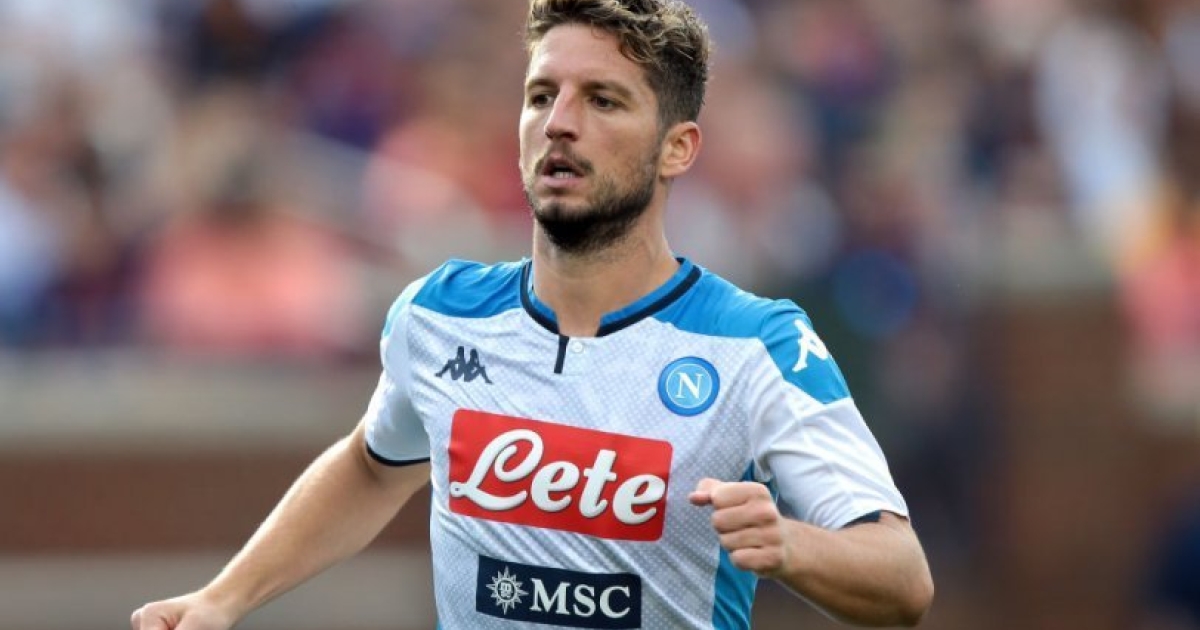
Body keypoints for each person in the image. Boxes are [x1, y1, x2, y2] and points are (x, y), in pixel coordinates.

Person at [130, 1, 934, 628]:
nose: (560, 123)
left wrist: (794, 545)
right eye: (542, 95)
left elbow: (903, 579)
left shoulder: (756, 345)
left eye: (603, 100)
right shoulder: (440, 317)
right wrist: (223, 599)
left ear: (678, 148)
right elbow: (374, 466)